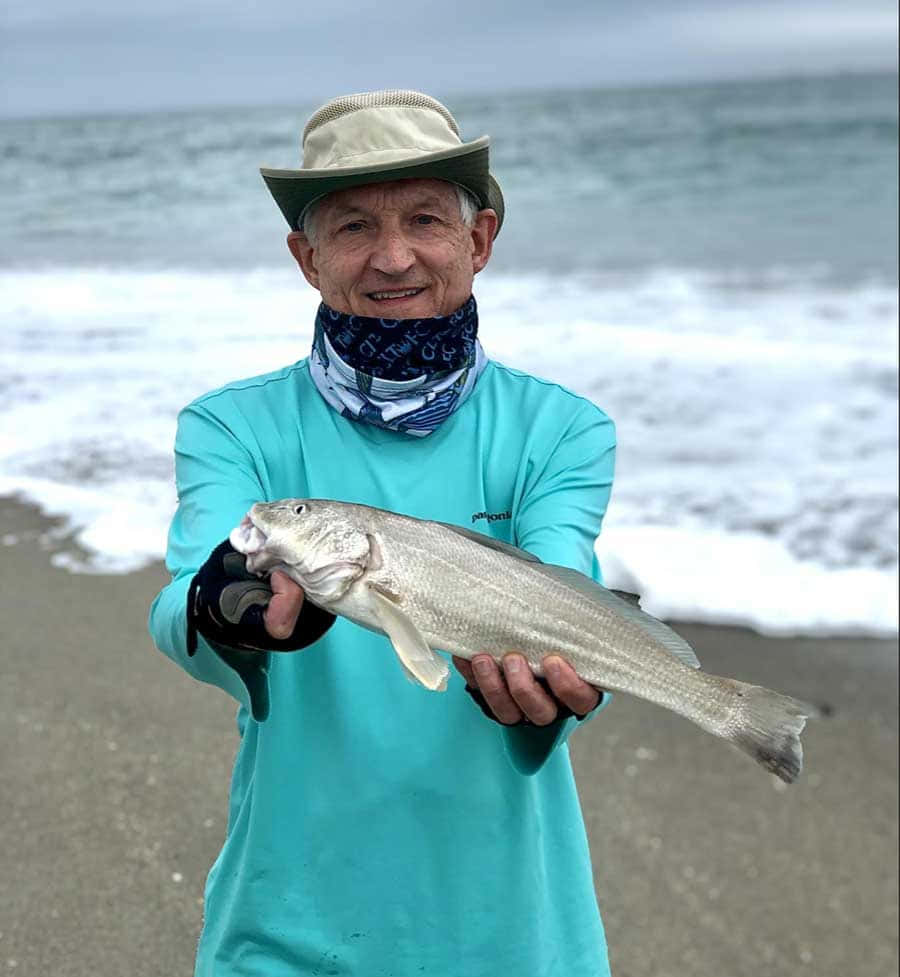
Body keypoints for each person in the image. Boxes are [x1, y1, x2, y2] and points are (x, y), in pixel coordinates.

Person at [149, 89, 616, 977]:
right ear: (306, 256)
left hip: (512, 931)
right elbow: (182, 604)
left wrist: (555, 685)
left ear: (478, 242)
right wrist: (228, 605)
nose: (394, 255)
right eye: (355, 226)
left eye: (426, 220)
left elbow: (563, 586)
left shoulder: (561, 428)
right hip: (288, 919)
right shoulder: (232, 426)